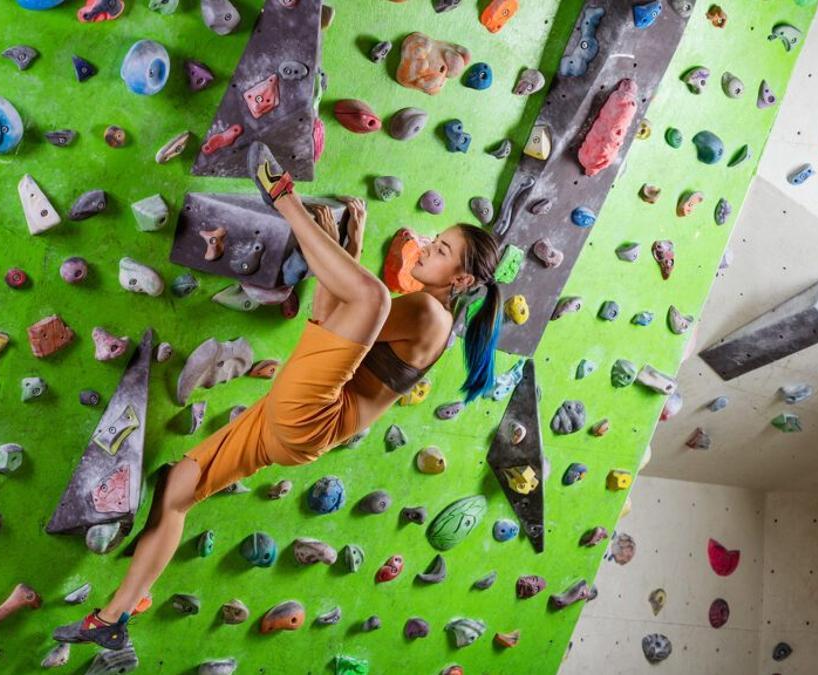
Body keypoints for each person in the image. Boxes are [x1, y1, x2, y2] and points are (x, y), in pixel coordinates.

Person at [54, 142, 503, 649]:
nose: (425, 247)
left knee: (374, 295)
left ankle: (279, 193)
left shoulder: (429, 314)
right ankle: (112, 621)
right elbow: (327, 321)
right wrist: (346, 250)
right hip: (293, 426)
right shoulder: (430, 313)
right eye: (434, 239)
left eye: (440, 251)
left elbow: (349, 311)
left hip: (310, 416)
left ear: (462, 280)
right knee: (179, 488)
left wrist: (337, 245)